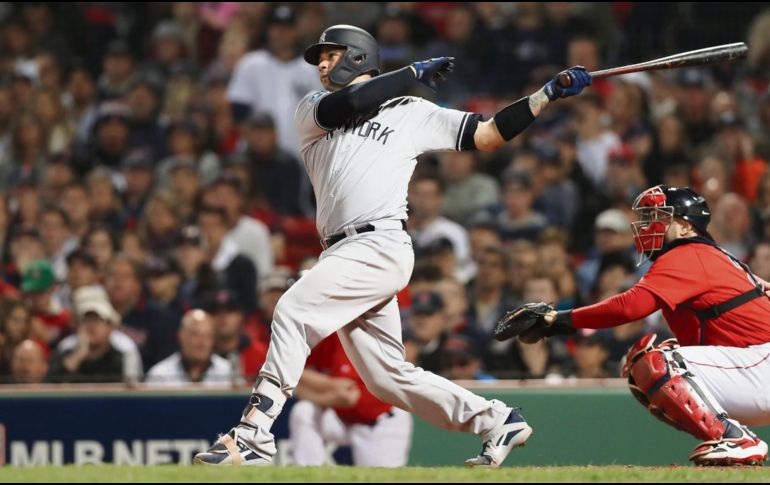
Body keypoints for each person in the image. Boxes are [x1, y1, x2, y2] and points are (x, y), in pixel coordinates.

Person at [194, 23, 591, 468]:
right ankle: (497, 419)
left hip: (379, 242)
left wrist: (545, 96)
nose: (322, 64)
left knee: (293, 310)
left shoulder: (410, 111)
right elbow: (354, 102)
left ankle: (253, 434)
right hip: (342, 250)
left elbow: (488, 134)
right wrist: (412, 72)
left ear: (359, 57)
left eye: (331, 54)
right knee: (385, 378)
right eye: (320, 58)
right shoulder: (313, 107)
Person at [509, 185, 770, 466]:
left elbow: (631, 306)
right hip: (753, 367)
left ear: (684, 226)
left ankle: (736, 439)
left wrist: (558, 319)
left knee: (656, 361)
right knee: (643, 367)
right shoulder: (709, 256)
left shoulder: (689, 252)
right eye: (646, 217)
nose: (647, 225)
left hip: (760, 365)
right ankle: (733, 443)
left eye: (658, 216)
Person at [290, 333, 413, 467]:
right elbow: (299, 383)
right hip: (341, 419)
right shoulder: (327, 336)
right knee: (304, 411)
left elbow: (349, 396)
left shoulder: (358, 333)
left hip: (380, 423)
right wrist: (328, 388)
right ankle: (308, 473)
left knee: (381, 478)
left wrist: (318, 388)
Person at [145, 309, 234, 387]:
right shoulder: (159, 375)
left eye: (208, 336)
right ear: (180, 336)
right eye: (195, 334)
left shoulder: (229, 372)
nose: (202, 342)